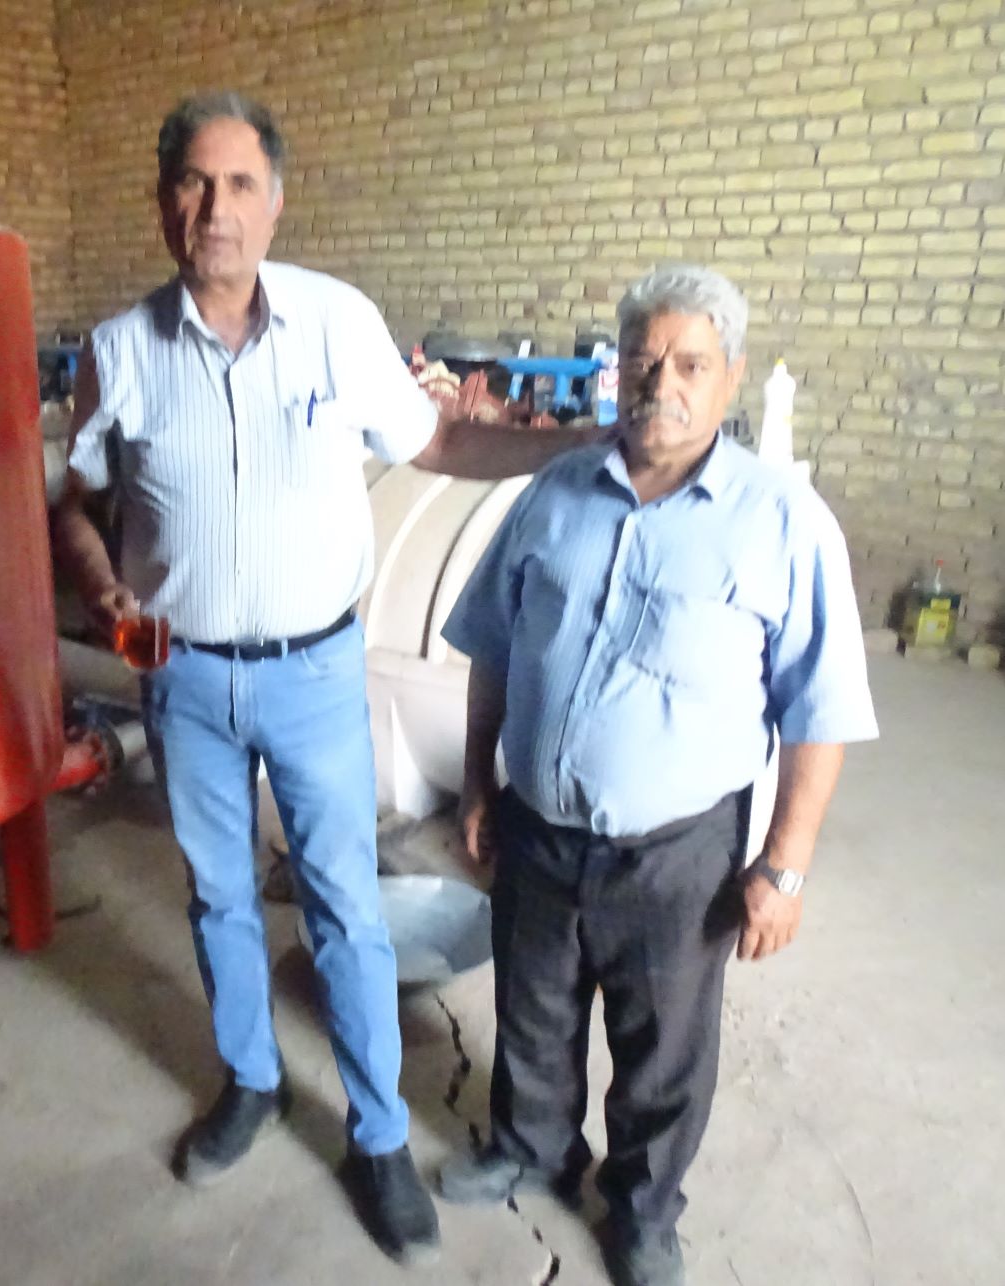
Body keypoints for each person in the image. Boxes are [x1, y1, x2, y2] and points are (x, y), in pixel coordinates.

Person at [50, 91, 590, 1266]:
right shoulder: (118, 351)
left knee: (343, 903)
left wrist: (568, 445)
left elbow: (437, 444)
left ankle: (380, 1133)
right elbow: (74, 502)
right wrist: (99, 587)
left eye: (240, 185)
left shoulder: (337, 324)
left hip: (310, 673)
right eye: (194, 183)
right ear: (162, 203)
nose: (216, 210)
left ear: (277, 202)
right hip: (182, 677)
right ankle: (249, 1080)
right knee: (216, 895)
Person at [435, 264, 879, 1286]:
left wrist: (786, 865)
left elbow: (821, 710)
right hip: (539, 825)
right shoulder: (552, 492)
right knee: (532, 1011)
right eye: (640, 361)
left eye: (688, 363)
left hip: (677, 851)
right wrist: (474, 782)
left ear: (730, 378)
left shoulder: (782, 521)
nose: (658, 384)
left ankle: (641, 1210)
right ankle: (532, 1144)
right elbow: (492, 644)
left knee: (662, 1047)